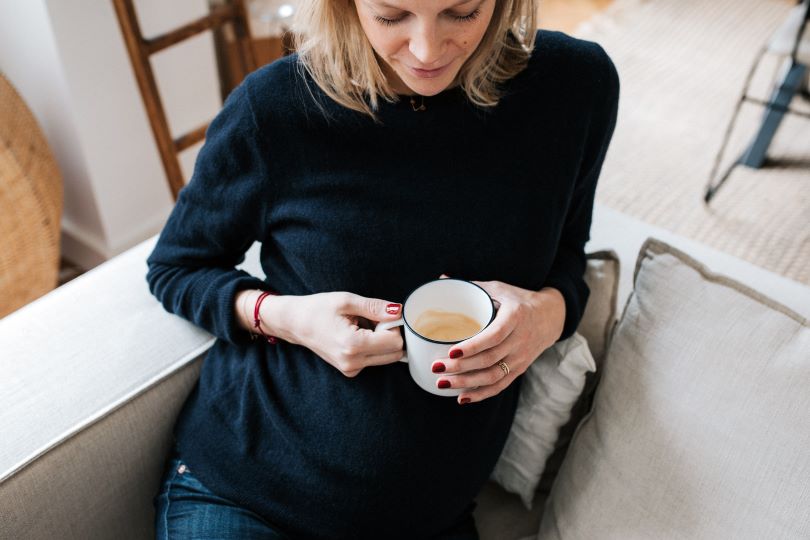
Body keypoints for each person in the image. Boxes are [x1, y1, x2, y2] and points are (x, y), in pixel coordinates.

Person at [146, 0, 619, 537]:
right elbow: (176, 267)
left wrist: (547, 317)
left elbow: (567, 259)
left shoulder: (575, 88)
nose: (426, 50)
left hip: (430, 519)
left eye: (461, 12)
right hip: (247, 496)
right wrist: (285, 318)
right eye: (393, 16)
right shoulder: (274, 109)